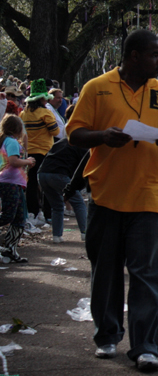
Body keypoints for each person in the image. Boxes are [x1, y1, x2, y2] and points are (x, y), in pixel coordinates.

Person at [67, 29, 158, 371]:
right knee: (105, 272)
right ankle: (107, 336)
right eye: (155, 55)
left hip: (149, 195)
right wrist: (102, 137)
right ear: (133, 56)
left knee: (149, 273)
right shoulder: (97, 88)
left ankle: (147, 346)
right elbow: (75, 134)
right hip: (105, 195)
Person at [38, 106, 89, 244]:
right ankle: (85, 233)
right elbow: (85, 167)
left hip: (42, 174)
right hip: (59, 175)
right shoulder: (81, 144)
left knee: (57, 206)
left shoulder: (62, 142)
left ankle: (57, 236)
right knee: (78, 203)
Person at [21, 78, 59, 223]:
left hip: (29, 152)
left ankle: (33, 212)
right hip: (44, 151)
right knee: (46, 184)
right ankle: (47, 214)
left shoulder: (23, 113)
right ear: (43, 98)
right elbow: (55, 132)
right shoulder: (46, 113)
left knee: (31, 184)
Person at [0, 115, 36, 263]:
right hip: (10, 183)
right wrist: (28, 161)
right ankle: (9, 247)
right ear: (18, 128)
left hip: (16, 183)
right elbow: (14, 161)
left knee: (20, 217)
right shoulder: (12, 142)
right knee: (9, 215)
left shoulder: (8, 141)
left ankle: (10, 248)